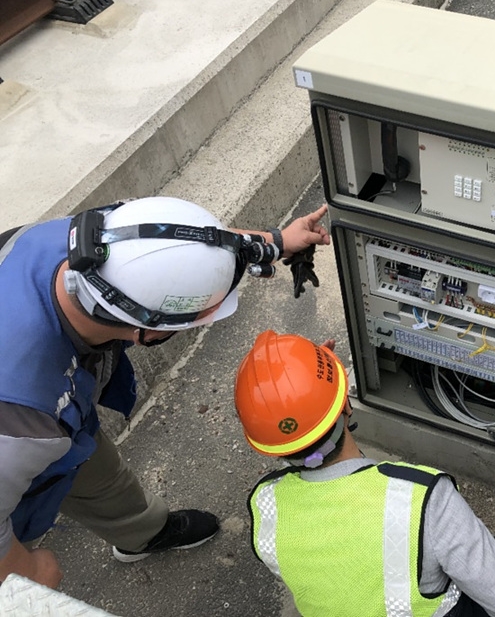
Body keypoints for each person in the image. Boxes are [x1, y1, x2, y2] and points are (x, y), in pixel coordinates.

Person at [0, 196, 330, 589]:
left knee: (97, 471)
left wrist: (275, 240)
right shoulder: (23, 421)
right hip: (21, 442)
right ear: (151, 333)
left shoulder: (85, 238)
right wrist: (30, 575)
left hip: (63, 414)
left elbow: (183, 241)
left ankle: (143, 534)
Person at [235, 331, 495, 617]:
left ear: (271, 448)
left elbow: (294, 434)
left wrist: (307, 395)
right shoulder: (423, 500)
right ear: (346, 404)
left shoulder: (267, 509)